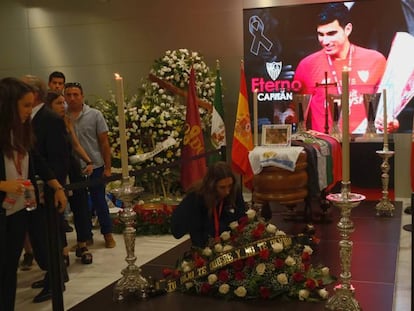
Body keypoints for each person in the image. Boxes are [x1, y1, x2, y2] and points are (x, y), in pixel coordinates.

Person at [0, 77, 67, 311]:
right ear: (9, 105)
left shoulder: (21, 132)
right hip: (4, 206)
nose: (30, 111)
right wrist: (2, 185)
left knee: (9, 270)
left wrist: (56, 186)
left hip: (18, 209)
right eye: (26, 106)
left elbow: (37, 159)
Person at [294, 2, 387, 134]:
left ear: (348, 29)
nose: (325, 41)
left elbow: (387, 109)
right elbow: (297, 116)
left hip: (366, 144)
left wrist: (390, 123)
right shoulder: (307, 66)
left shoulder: (375, 60)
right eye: (321, 34)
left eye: (331, 33)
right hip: (325, 147)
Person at [21, 74, 70, 303]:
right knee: (40, 237)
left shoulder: (49, 119)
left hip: (47, 190)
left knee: (47, 237)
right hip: (33, 190)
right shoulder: (28, 118)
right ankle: (54, 275)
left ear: (34, 94)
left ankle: (56, 280)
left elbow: (60, 158)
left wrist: (53, 187)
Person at [64, 82, 116, 248]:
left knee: (99, 200)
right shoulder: (61, 116)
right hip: (73, 167)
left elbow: (104, 143)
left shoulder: (95, 115)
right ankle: (85, 237)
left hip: (96, 164)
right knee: (80, 206)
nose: (72, 98)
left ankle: (107, 234)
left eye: (75, 94)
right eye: (69, 95)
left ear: (82, 96)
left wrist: (107, 168)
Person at [45, 90, 94, 264]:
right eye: (59, 103)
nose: (63, 106)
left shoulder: (66, 121)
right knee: (59, 212)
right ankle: (63, 250)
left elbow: (75, 144)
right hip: (55, 171)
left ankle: (83, 244)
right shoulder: (44, 124)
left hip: (72, 167)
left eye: (63, 103)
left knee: (80, 206)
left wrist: (88, 161)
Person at [171, 161, 247, 248]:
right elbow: (195, 230)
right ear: (211, 185)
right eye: (222, 187)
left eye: (229, 185)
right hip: (206, 243)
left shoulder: (234, 190)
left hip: (229, 241)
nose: (227, 191)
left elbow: (241, 218)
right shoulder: (197, 196)